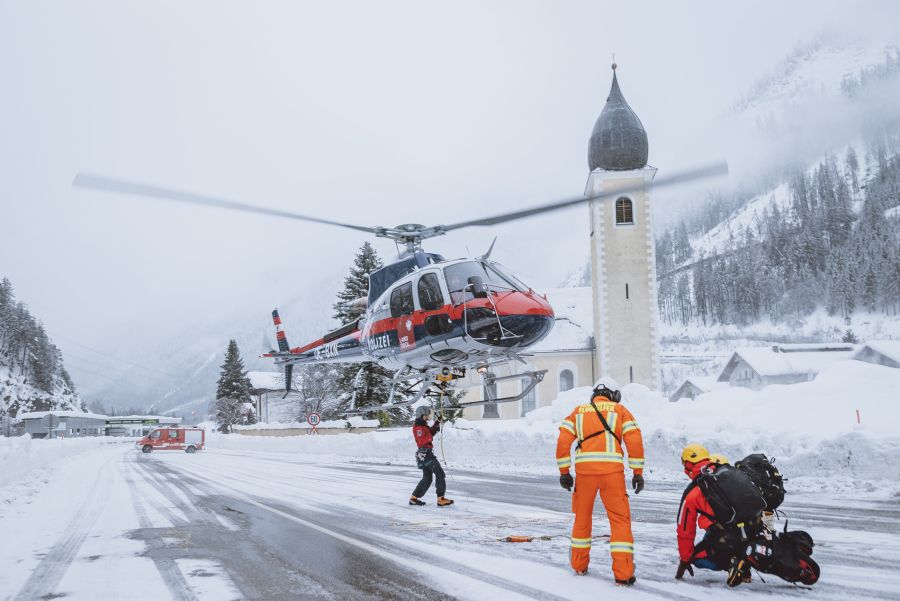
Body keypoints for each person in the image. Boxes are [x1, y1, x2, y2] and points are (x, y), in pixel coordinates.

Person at [555, 377, 645, 586]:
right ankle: (623, 574)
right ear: (614, 394)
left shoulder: (578, 411)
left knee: (582, 519)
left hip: (585, 475)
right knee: (620, 522)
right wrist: (637, 472)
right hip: (612, 474)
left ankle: (579, 566)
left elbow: (563, 440)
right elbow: (634, 439)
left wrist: (564, 471)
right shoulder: (620, 411)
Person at [676, 444, 752, 586]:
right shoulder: (726, 471)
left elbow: (685, 530)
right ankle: (745, 561)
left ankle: (732, 563)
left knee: (696, 557)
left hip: (729, 538)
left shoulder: (693, 493)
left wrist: (685, 560)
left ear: (688, 464)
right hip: (750, 531)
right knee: (713, 530)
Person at [409, 405, 454, 507]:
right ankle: (440, 499)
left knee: (427, 478)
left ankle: (414, 498)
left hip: (425, 454)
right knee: (440, 474)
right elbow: (422, 440)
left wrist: (437, 422)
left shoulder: (423, 425)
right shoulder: (418, 427)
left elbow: (431, 432)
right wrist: (430, 435)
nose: (428, 417)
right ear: (421, 415)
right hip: (425, 454)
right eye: (426, 415)